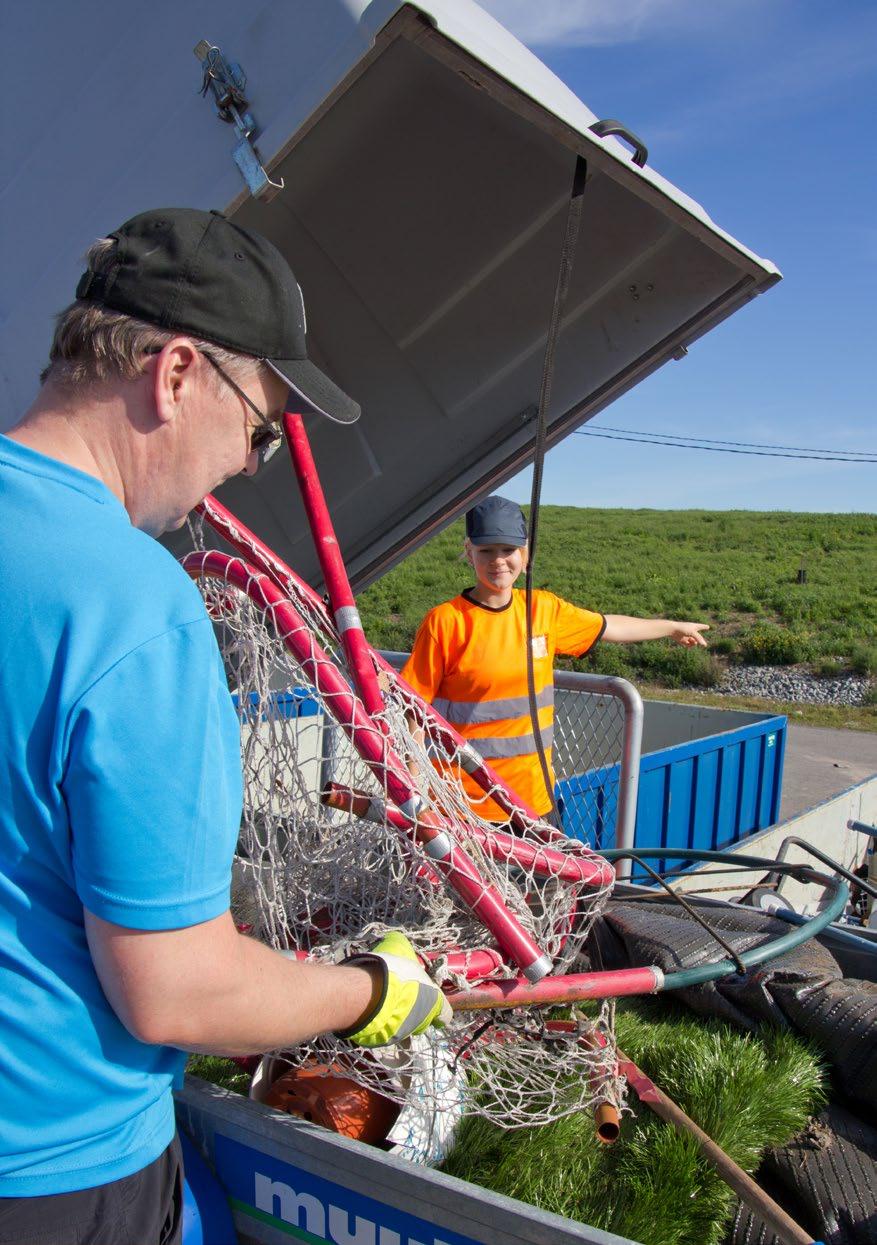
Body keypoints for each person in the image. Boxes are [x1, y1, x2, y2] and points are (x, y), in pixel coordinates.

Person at [0, 207, 449, 1244]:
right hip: (54, 1171)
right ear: (176, 374)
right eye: (260, 426)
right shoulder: (132, 607)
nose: (252, 463)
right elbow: (178, 995)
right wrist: (371, 991)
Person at [402, 495, 709, 822]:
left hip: (534, 801)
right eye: (486, 550)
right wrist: (416, 785)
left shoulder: (543, 610)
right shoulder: (445, 622)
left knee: (554, 875)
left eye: (508, 550)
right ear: (468, 552)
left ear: (525, 553)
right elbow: (413, 708)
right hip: (464, 805)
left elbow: (608, 625)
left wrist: (671, 627)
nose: (498, 561)